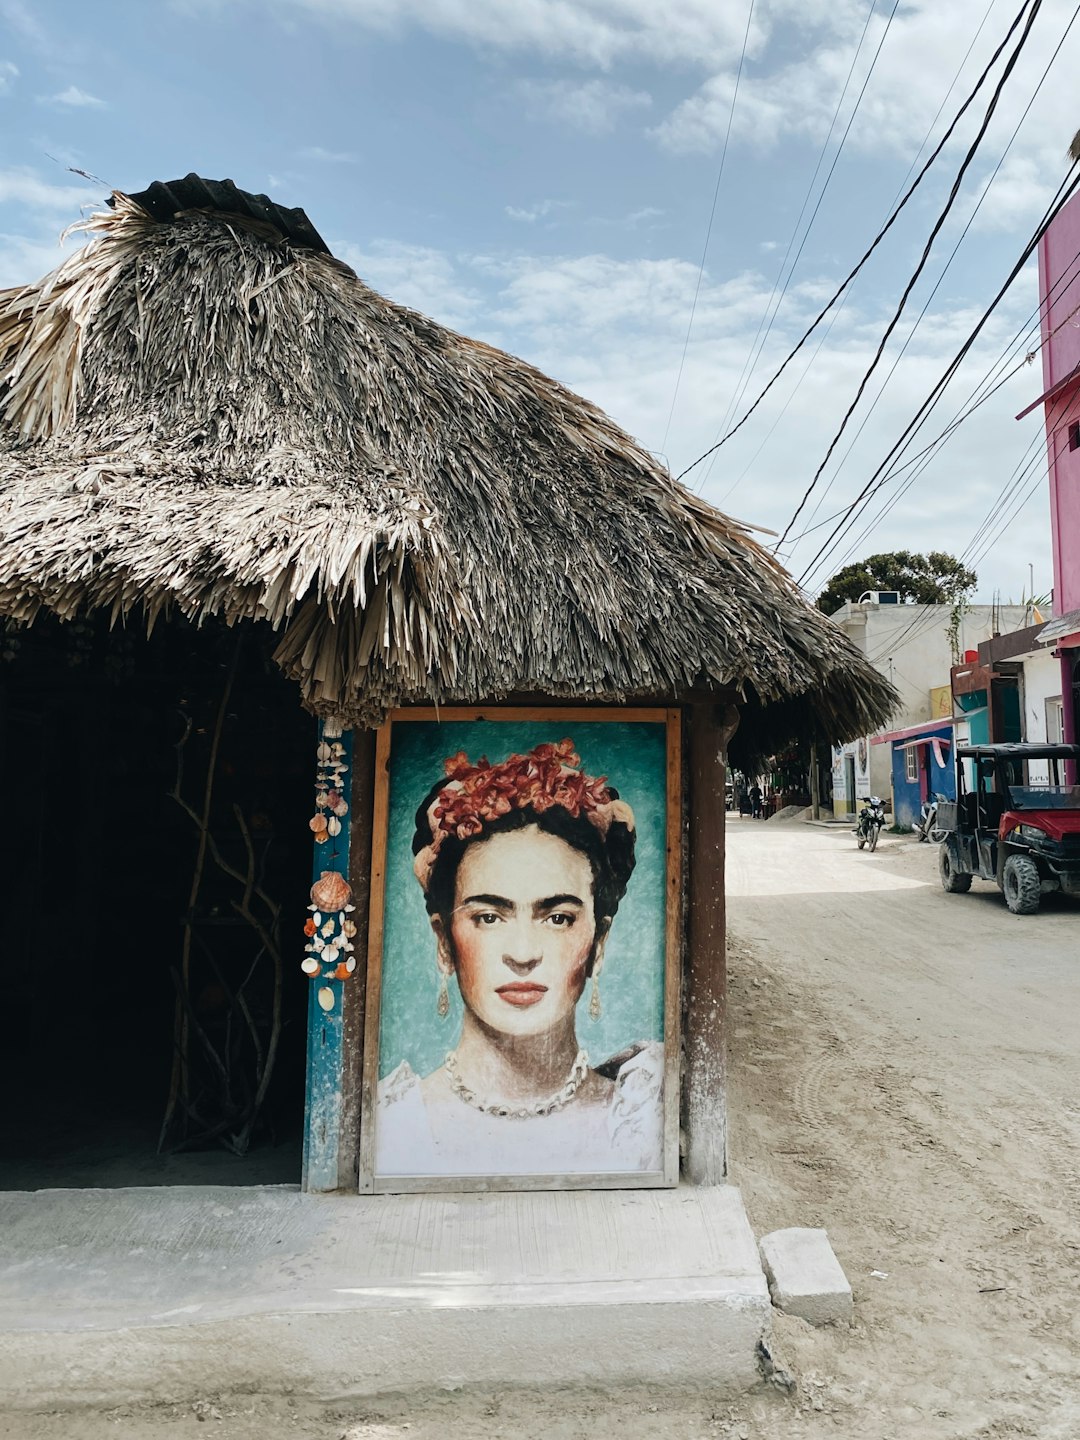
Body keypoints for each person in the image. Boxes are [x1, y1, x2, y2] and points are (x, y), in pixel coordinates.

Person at [375, 738, 664, 1178]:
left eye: (558, 918)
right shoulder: (394, 1125)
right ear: (443, 943)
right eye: (490, 917)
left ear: (598, 944)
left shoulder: (642, 1118)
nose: (523, 954)